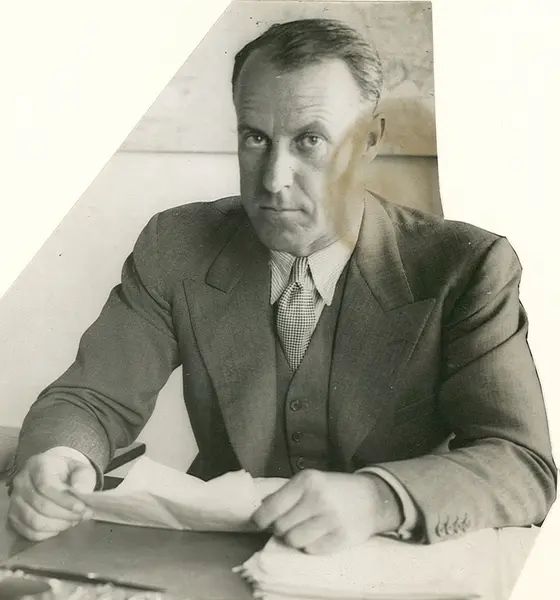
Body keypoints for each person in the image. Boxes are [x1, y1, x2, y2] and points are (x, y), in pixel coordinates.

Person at [7, 19, 556, 553]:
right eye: (255, 138)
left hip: (395, 565)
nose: (273, 179)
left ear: (369, 140)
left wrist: (380, 498)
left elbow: (521, 462)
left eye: (310, 140)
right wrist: (60, 459)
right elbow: (92, 397)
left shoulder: (464, 265)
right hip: (219, 557)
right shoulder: (177, 244)